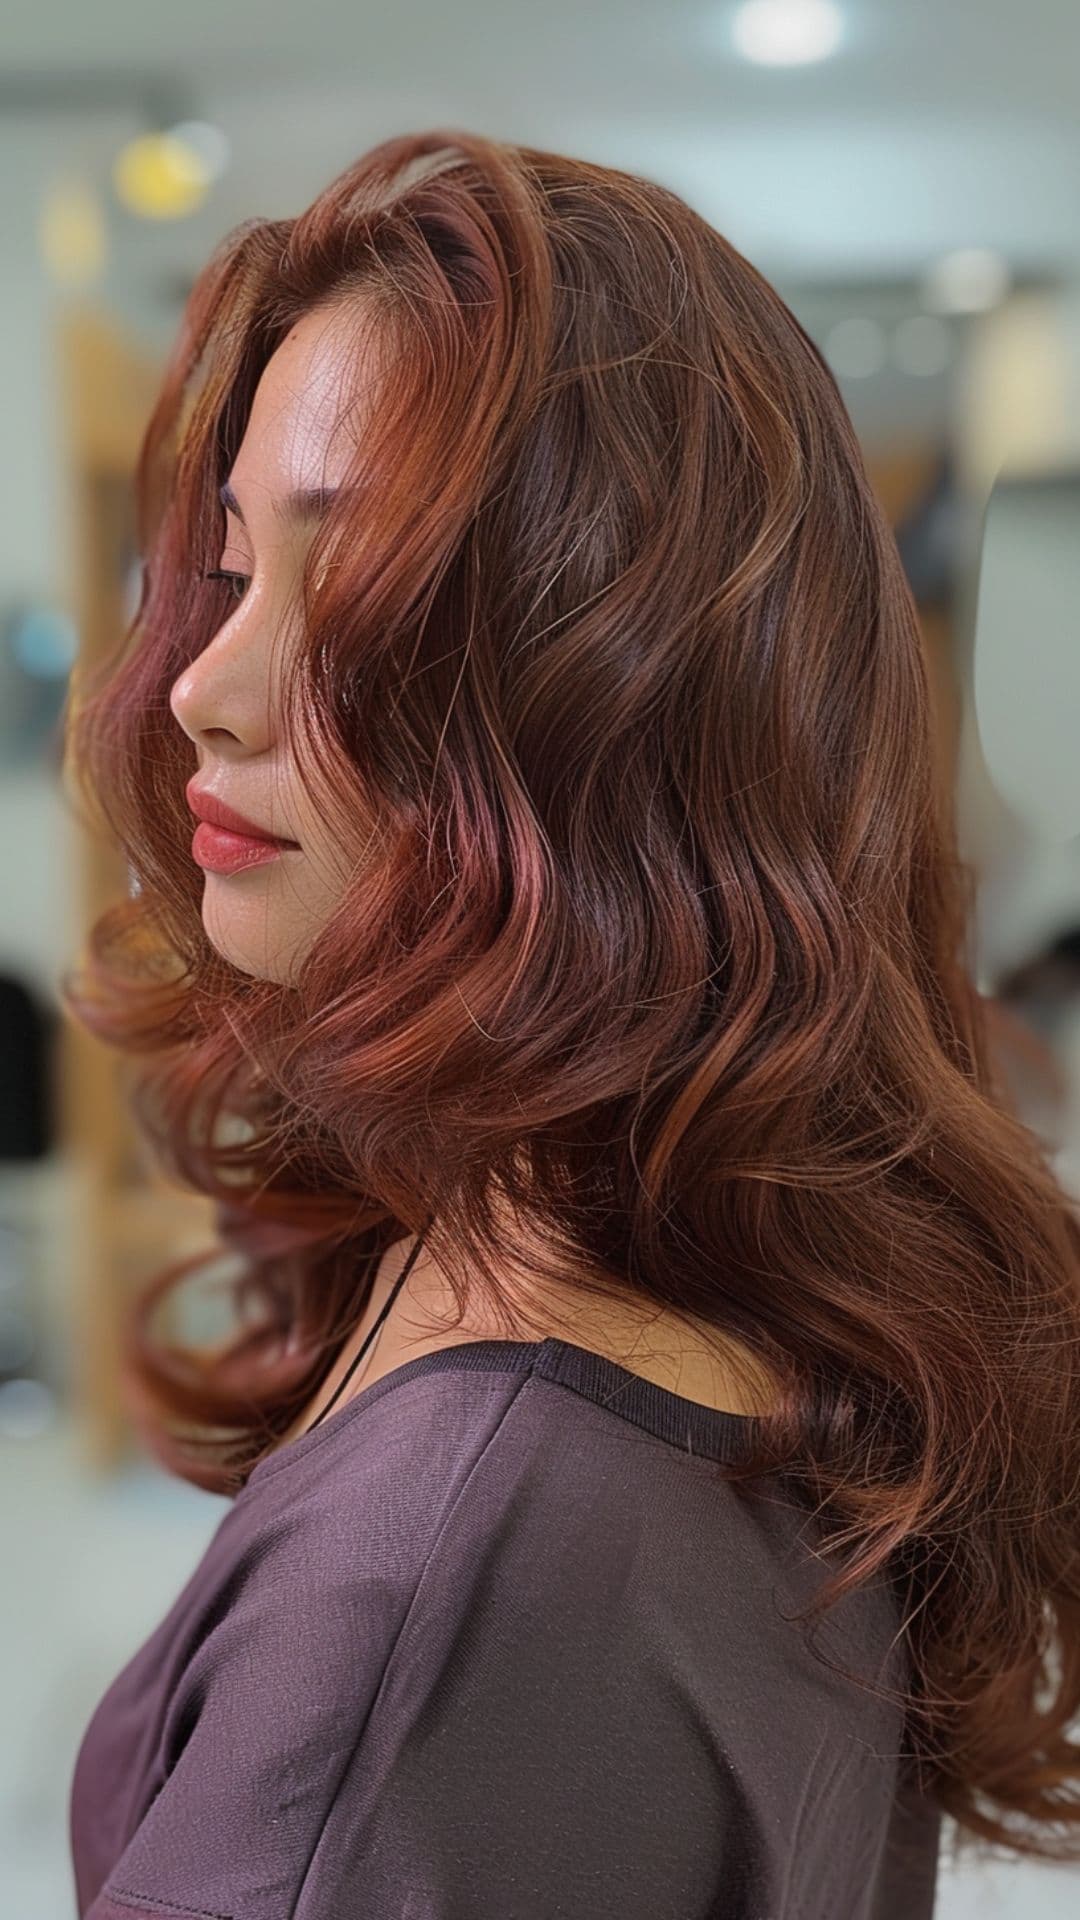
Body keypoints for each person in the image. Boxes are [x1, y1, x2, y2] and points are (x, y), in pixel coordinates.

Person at [61, 129, 1080, 1919]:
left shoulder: (448, 1587)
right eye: (230, 573)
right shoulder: (681, 1275)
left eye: (357, 595)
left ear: (608, 700)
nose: (209, 690)